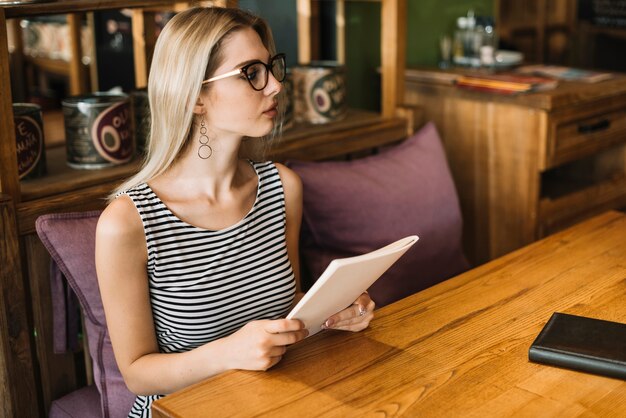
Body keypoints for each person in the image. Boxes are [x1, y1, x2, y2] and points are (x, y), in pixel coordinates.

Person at [95, 6, 375, 417]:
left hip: (277, 398)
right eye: (251, 73)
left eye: (271, 68)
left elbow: (286, 307)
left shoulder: (282, 187)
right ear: (194, 97)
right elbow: (138, 374)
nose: (276, 85)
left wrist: (336, 312)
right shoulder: (126, 224)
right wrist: (229, 353)